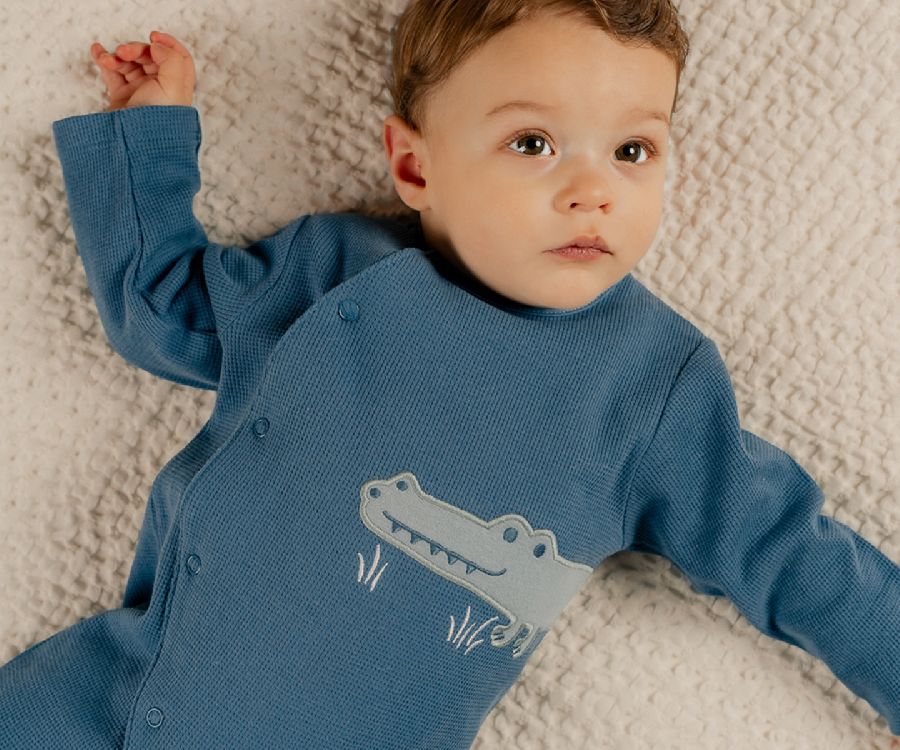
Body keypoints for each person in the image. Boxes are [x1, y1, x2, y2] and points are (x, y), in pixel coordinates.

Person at [1, 1, 897, 746]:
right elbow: (163, 311)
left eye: (633, 151)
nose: (593, 190)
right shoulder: (332, 272)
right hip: (115, 698)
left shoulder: (645, 385)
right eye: (533, 143)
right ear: (414, 165)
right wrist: (148, 133)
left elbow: (793, 558)